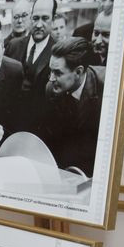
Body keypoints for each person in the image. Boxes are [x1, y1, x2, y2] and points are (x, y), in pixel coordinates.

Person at [43, 37, 105, 177]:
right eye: (51, 71)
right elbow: (55, 138)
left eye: (58, 73)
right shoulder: (51, 89)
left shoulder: (107, 90)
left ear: (78, 72)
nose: (51, 78)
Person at [6, 0, 57, 133]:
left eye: (45, 18)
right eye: (35, 18)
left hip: (40, 131)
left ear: (54, 20)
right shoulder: (13, 46)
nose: (39, 24)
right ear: (30, 18)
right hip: (10, 127)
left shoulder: (58, 52)